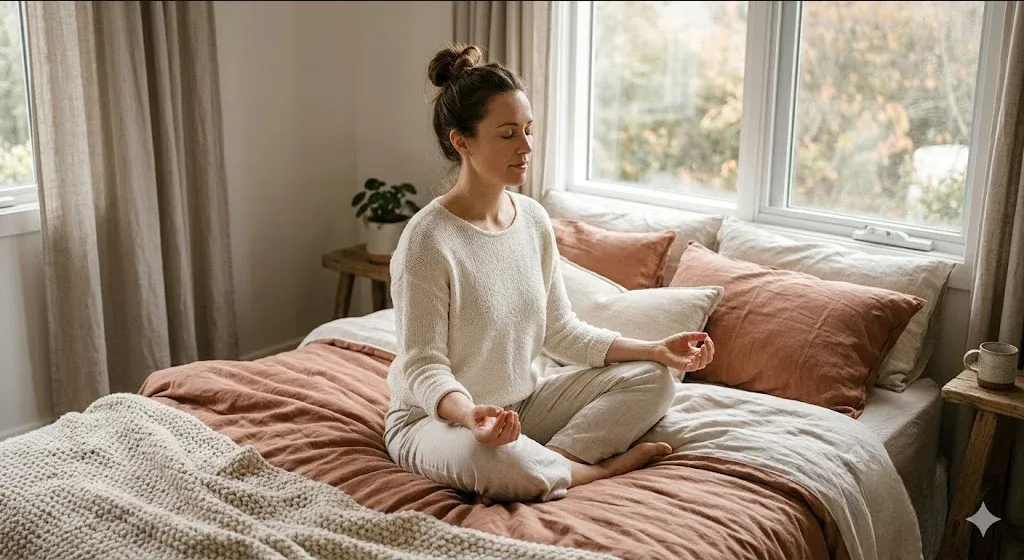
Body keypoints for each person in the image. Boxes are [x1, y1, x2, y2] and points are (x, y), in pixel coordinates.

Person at [383, 43, 715, 503]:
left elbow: (562, 331)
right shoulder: (427, 240)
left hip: (522, 406)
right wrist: (471, 416)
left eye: (529, 130)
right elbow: (422, 366)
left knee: (655, 378)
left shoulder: (534, 220)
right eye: (507, 134)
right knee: (492, 460)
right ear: (462, 141)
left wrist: (655, 348)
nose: (527, 147)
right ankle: (589, 471)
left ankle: (557, 459)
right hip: (435, 420)